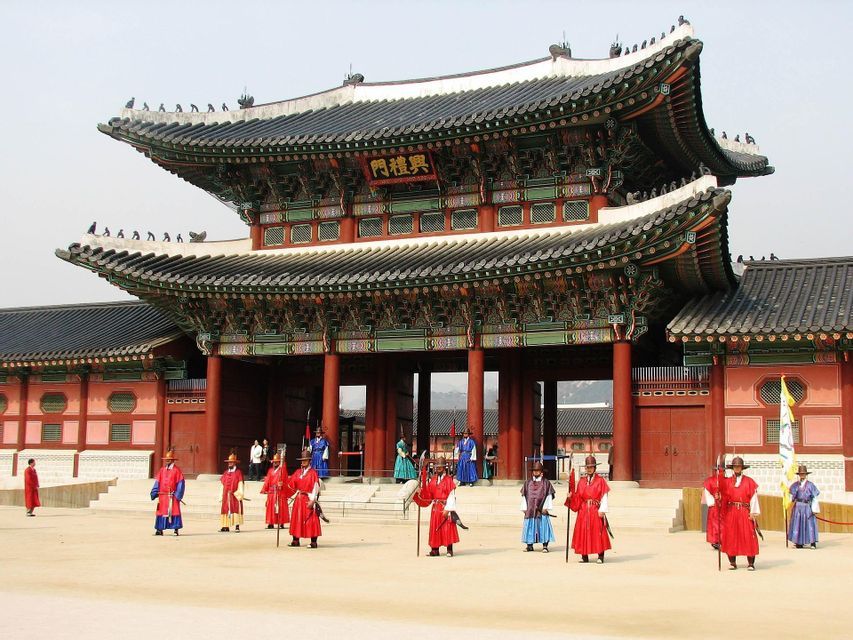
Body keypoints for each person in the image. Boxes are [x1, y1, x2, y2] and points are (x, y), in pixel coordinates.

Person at [566, 455, 611, 563]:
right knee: (583, 532)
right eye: (587, 467)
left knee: (598, 532)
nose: (589, 469)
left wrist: (602, 509)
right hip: (583, 510)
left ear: (595, 468)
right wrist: (571, 497)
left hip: (595, 509)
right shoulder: (581, 481)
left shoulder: (600, 481)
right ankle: (584, 556)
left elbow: (604, 495)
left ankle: (600, 556)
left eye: (591, 467)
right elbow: (578, 497)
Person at [721, 456, 760, 570]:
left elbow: (754, 497)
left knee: (748, 535)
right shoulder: (727, 482)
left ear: (742, 468)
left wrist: (753, 512)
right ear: (732, 468)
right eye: (735, 466)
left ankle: (751, 563)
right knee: (731, 535)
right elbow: (724, 498)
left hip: (744, 511)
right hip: (731, 511)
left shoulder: (749, 482)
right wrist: (719, 497)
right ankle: (732, 562)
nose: (737, 468)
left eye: (739, 466)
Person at [416, 457, 460, 557]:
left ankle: (449, 550)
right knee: (435, 528)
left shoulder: (448, 480)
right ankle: (435, 550)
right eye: (437, 467)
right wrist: (421, 492)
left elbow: (452, 495)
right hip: (436, 507)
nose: (437, 469)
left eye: (440, 468)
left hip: (445, 506)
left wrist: (448, 509)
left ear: (444, 468)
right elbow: (429, 495)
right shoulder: (433, 480)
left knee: (447, 528)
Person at [288, 448, 322, 548]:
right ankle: (295, 540)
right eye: (302, 460)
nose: (303, 462)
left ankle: (313, 541)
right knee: (297, 519)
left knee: (311, 519)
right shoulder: (298, 472)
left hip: (308, 498)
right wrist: (282, 483)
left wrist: (313, 500)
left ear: (309, 461)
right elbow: (291, 484)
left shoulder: (313, 473)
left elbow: (315, 486)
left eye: (305, 460)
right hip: (299, 499)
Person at [520, 461, 555, 552]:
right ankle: (529, 545)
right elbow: (524, 495)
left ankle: (545, 546)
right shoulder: (527, 483)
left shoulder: (546, 483)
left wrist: (546, 507)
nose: (536, 472)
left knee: (543, 527)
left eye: (538, 470)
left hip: (541, 509)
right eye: (534, 470)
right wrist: (524, 508)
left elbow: (549, 495)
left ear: (541, 472)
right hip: (530, 509)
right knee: (530, 526)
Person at [150, 450, 185, 536]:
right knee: (161, 512)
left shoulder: (177, 471)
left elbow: (181, 483)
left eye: (169, 459)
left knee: (174, 511)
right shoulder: (162, 470)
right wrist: (155, 491)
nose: (167, 461)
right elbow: (157, 481)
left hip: (172, 496)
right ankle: (159, 529)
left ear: (173, 460)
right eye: (166, 459)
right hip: (162, 496)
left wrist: (177, 494)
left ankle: (175, 530)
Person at [788, 464, 820, 549]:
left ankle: (812, 542)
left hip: (806, 506)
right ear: (798, 475)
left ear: (806, 474)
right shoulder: (795, 485)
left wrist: (815, 508)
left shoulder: (810, 485)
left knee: (809, 523)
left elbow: (815, 497)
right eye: (800, 474)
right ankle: (799, 542)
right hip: (798, 506)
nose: (802, 475)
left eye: (803, 473)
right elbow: (792, 497)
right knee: (798, 523)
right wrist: (787, 497)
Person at [260, 452, 292, 529]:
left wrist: (282, 484)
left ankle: (281, 522)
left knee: (281, 508)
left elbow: (285, 479)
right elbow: (267, 480)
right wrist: (265, 489)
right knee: (271, 508)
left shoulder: (282, 470)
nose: (275, 463)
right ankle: (271, 523)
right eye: (274, 462)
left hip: (279, 491)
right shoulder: (270, 470)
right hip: (272, 492)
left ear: (279, 462)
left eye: (276, 462)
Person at [220, 453, 245, 533]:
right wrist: (222, 494)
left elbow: (240, 483)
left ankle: (237, 526)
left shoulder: (238, 472)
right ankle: (225, 526)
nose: (230, 464)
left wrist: (239, 493)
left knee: (236, 509)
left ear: (234, 463)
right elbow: (222, 484)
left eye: (231, 462)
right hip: (226, 495)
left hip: (234, 495)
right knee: (225, 509)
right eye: (229, 462)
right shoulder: (225, 473)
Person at [702, 463, 724, 550]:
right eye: (720, 470)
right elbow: (707, 493)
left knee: (724, 524)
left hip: (724, 506)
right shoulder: (710, 481)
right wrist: (712, 502)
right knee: (715, 524)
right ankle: (715, 541)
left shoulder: (727, 480)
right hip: (715, 506)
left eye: (722, 471)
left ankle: (723, 540)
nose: (721, 472)